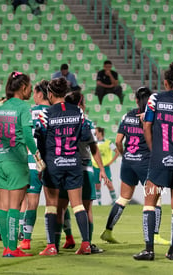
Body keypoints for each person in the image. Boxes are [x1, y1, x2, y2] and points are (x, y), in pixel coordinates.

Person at [133, 61, 173, 261]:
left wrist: (154, 151)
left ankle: (149, 250)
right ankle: (172, 251)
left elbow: (147, 126)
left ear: (166, 82)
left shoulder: (155, 99)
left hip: (160, 160)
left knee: (149, 202)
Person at [0, 71, 46, 257]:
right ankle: (12, 249)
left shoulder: (0, 107)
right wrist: (37, 157)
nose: (29, 90)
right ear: (22, 87)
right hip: (16, 162)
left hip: (0, 161)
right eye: (29, 86)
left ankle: (7, 247)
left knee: (3, 206)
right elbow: (28, 136)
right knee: (14, 206)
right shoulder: (23, 107)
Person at [36, 77, 99, 256]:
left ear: (49, 94)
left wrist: (42, 163)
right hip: (74, 163)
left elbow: (40, 141)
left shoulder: (45, 114)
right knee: (78, 205)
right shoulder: (78, 113)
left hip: (53, 163)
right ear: (65, 92)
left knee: (52, 206)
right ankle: (86, 244)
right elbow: (85, 138)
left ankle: (51, 246)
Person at [100, 87, 168, 245]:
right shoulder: (153, 116)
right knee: (155, 199)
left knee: (123, 198)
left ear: (136, 100)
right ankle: (155, 235)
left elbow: (118, 141)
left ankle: (108, 231)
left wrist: (125, 155)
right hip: (146, 162)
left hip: (128, 162)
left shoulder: (128, 115)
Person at [56, 91, 108, 254]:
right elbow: (93, 148)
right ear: (80, 104)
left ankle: (54, 244)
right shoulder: (86, 122)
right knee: (86, 209)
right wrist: (101, 168)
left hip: (62, 167)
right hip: (83, 168)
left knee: (60, 207)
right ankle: (87, 243)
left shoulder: (58, 120)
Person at [18, 80, 50, 250]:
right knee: (56, 202)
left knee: (32, 201)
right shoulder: (54, 112)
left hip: (32, 160)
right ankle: (64, 237)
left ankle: (26, 239)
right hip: (51, 161)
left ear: (39, 94)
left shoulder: (27, 112)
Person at [92, 127, 119, 205]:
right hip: (95, 167)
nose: (95, 134)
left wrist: (111, 162)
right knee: (97, 185)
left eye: (96, 132)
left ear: (100, 133)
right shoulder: (94, 143)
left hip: (105, 167)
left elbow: (117, 152)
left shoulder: (109, 143)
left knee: (109, 184)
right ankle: (99, 203)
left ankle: (114, 202)